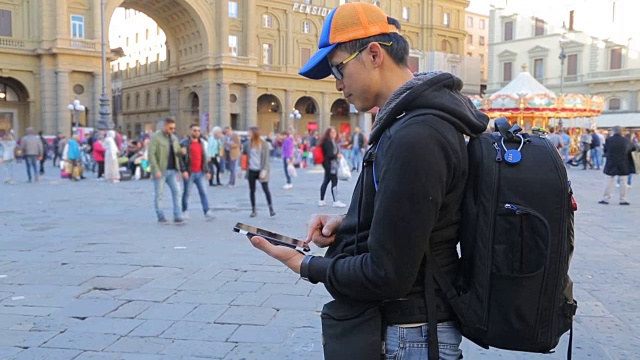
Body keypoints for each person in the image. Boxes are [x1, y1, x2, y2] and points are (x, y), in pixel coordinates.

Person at [247, 3, 489, 359]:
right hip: (409, 331)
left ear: (374, 54)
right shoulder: (409, 123)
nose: (338, 83)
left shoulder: (417, 134)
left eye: (338, 68)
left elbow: (388, 274)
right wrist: (347, 223)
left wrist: (303, 264)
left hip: (412, 336)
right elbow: (422, 220)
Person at [149, 117, 187, 224]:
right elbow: (151, 154)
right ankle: (161, 215)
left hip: (173, 170)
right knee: (160, 194)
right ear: (165, 126)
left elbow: (177, 154)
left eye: (174, 128)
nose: (172, 130)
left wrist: (182, 152)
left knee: (177, 192)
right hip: (161, 170)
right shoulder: (156, 137)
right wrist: (156, 169)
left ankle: (178, 215)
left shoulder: (174, 138)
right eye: (170, 128)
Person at [180, 124, 214, 220]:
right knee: (187, 193)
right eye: (194, 130)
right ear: (190, 131)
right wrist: (183, 171)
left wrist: (207, 171)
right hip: (189, 172)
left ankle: (206, 211)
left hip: (200, 172)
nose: (197, 132)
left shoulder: (201, 143)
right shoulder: (184, 143)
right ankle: (184, 211)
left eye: (198, 130)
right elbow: (180, 159)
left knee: (203, 192)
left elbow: (204, 158)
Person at [243, 126, 276, 218]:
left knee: (266, 189)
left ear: (254, 134)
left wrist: (264, 170)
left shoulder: (264, 144)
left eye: (250, 133)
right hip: (251, 170)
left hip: (261, 170)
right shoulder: (247, 144)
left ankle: (271, 208)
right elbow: (244, 156)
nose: (248, 135)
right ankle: (253, 210)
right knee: (252, 190)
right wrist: (243, 168)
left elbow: (266, 159)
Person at [599, 126, 635, 205]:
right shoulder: (626, 140)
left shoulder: (609, 140)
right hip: (623, 162)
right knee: (623, 182)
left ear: (613, 131)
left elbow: (605, 150)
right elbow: (633, 149)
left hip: (611, 162)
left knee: (608, 181)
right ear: (621, 131)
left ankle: (606, 199)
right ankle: (623, 199)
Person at [318, 127, 346, 208]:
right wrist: (337, 155)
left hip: (331, 164)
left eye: (335, 132)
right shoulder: (328, 142)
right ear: (328, 133)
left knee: (326, 181)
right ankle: (335, 201)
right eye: (332, 132)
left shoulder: (332, 141)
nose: (334, 133)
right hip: (330, 165)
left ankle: (321, 200)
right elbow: (329, 155)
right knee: (334, 182)